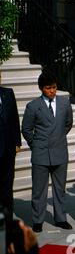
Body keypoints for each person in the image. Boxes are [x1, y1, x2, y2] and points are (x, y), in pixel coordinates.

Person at [21, 72, 73, 233]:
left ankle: (60, 218)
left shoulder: (65, 103)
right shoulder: (33, 106)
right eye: (48, 88)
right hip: (41, 153)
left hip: (60, 151)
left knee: (60, 189)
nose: (52, 91)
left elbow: (68, 124)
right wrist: (36, 144)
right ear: (41, 88)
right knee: (39, 190)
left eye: (54, 88)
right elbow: (27, 129)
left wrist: (57, 137)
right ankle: (38, 220)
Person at [0, 84, 21, 219]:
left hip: (8, 147)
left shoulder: (8, 93)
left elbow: (14, 118)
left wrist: (17, 142)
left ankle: (7, 216)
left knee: (7, 184)